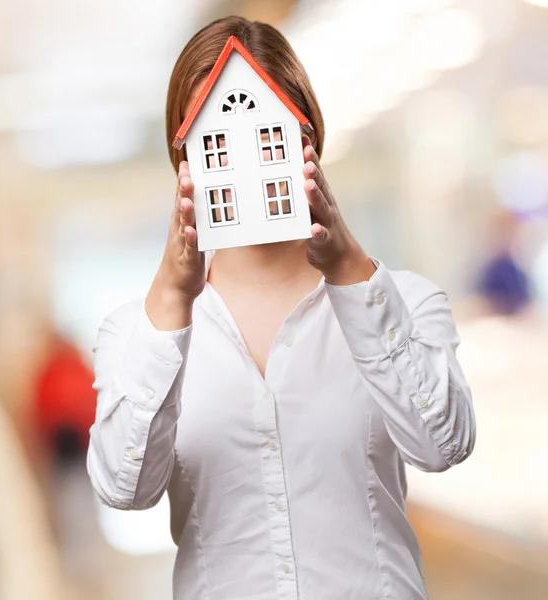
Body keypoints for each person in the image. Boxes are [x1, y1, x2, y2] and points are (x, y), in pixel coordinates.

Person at [87, 16, 476, 600]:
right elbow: (125, 489)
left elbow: (443, 447)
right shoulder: (135, 331)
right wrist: (171, 297)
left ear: (308, 139)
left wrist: (350, 272)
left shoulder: (406, 301)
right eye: (218, 142)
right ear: (185, 159)